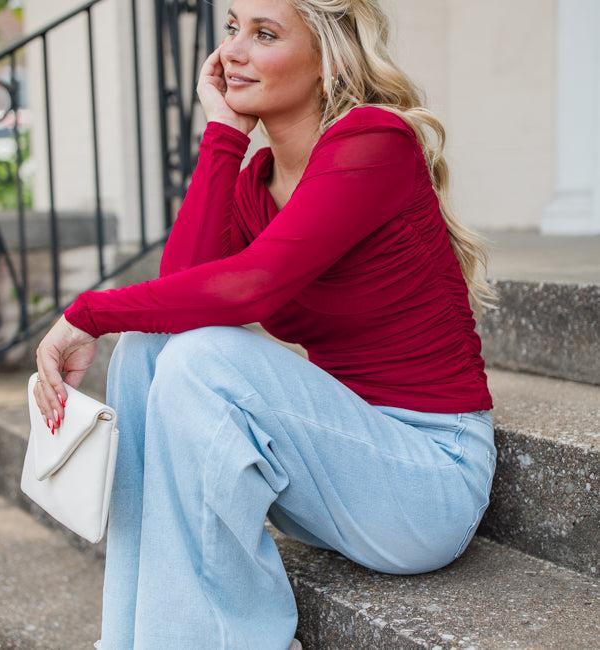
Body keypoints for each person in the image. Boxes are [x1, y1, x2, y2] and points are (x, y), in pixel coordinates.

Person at [33, 1, 499, 648]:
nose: (233, 52)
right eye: (231, 29)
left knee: (206, 362)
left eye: (265, 34)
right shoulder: (258, 182)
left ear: (326, 62)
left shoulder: (374, 143)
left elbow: (252, 287)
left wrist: (86, 313)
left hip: (427, 477)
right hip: (336, 461)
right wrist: (222, 131)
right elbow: (180, 293)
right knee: (147, 349)